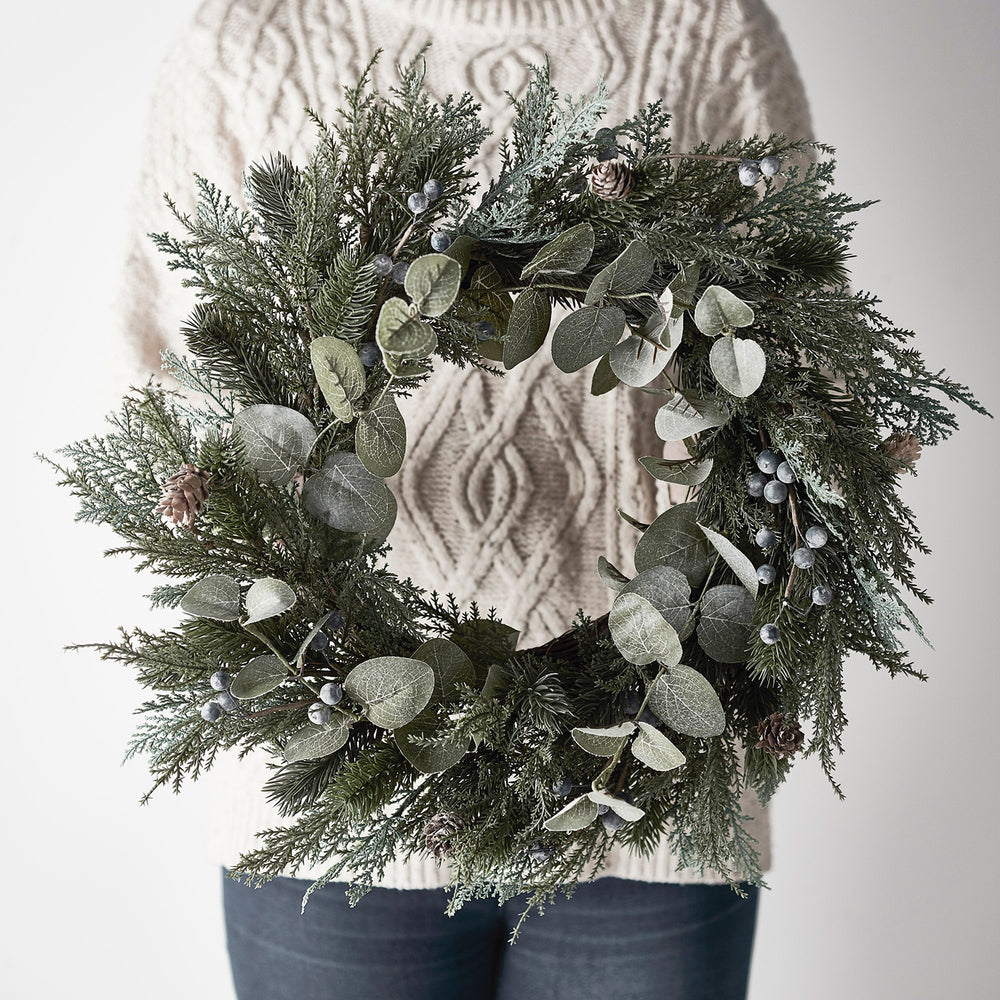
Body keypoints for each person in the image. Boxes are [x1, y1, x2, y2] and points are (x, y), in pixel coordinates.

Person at [118, 2, 814, 997]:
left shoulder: (704, 27)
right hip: (335, 783)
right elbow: (176, 371)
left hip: (654, 771)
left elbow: (797, 358)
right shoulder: (249, 38)